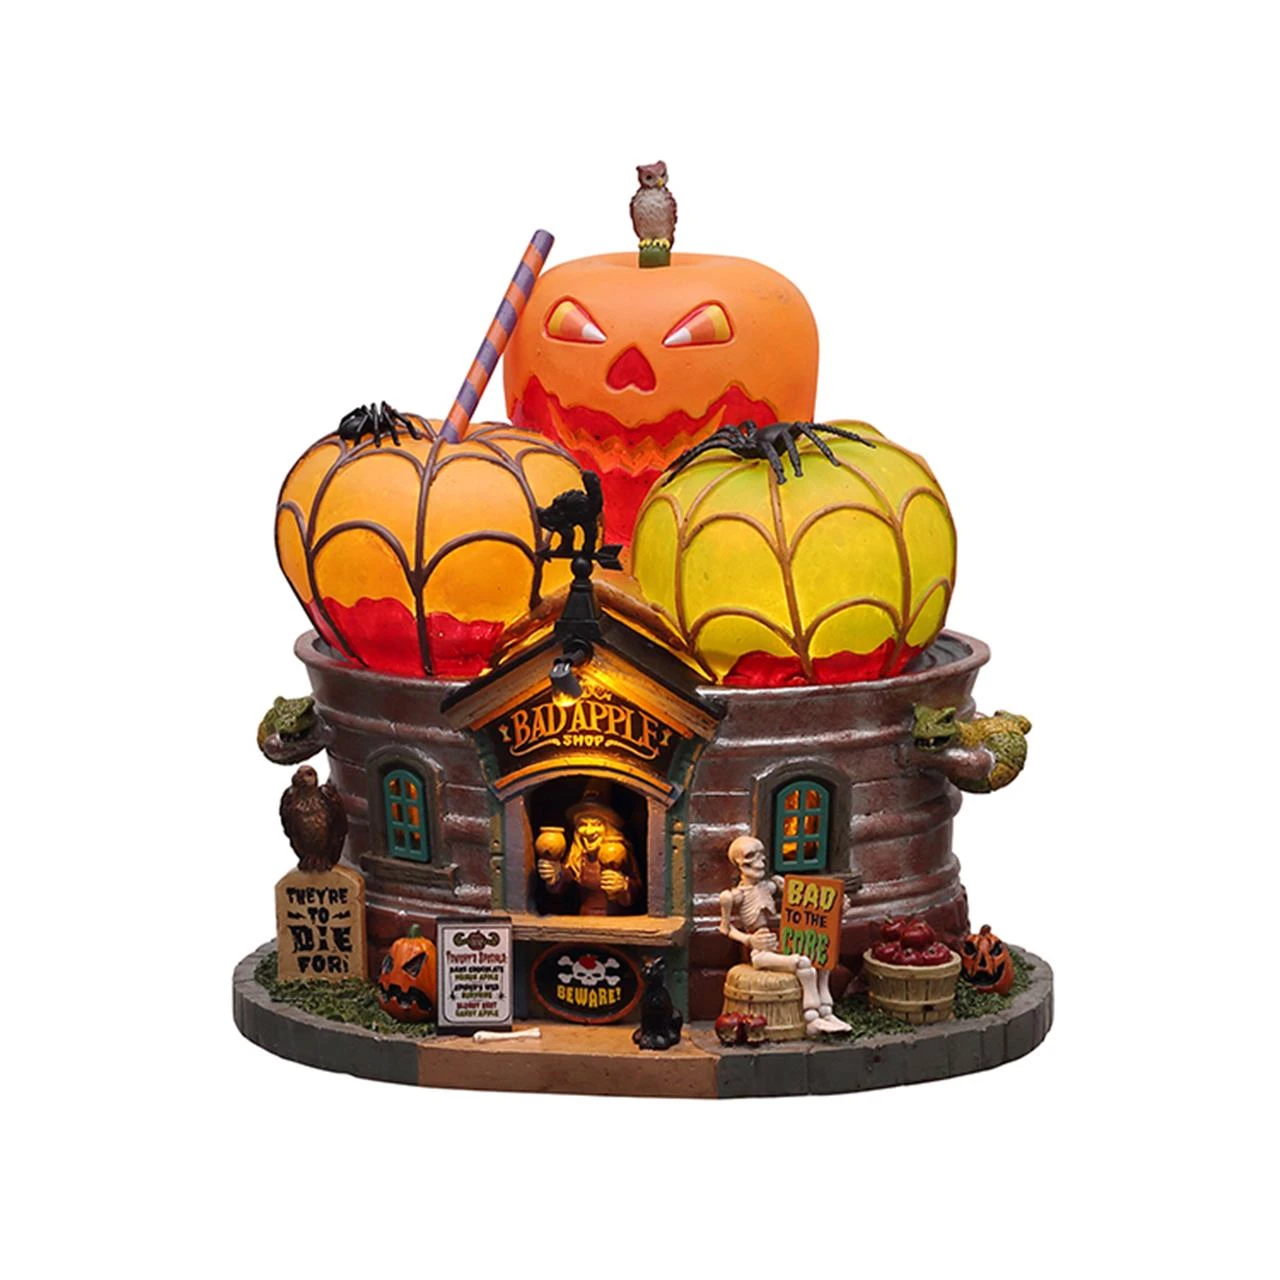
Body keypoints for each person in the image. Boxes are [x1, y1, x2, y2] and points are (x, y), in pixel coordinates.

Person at [718, 834, 850, 1036]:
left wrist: (835, 907)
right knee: (803, 963)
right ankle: (811, 1019)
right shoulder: (733, 896)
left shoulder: (770, 886)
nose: (760, 861)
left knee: (821, 959)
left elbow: (805, 902)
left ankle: (827, 1012)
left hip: (779, 941)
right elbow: (725, 929)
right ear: (738, 862)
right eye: (751, 856)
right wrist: (749, 940)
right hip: (760, 952)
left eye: (761, 855)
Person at [537, 781, 641, 915]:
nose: (588, 831)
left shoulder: (621, 854)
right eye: (583, 824)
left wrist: (623, 886)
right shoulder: (578, 857)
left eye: (596, 824)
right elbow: (566, 880)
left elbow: (637, 892)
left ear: (608, 827)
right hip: (586, 917)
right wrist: (556, 874)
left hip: (615, 920)